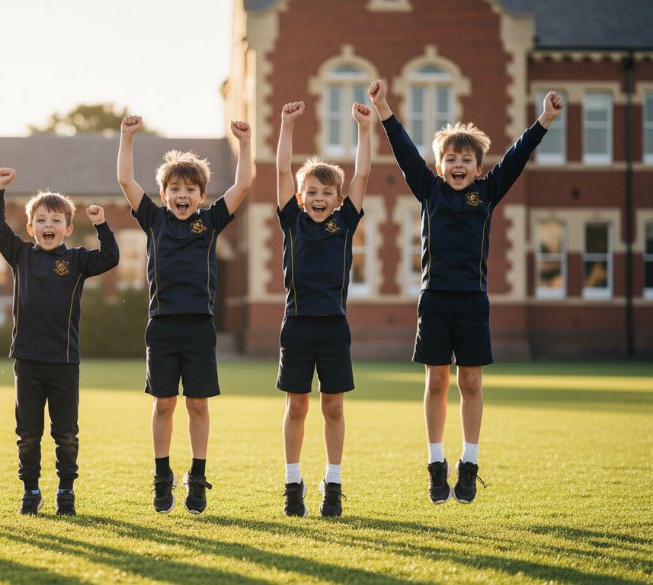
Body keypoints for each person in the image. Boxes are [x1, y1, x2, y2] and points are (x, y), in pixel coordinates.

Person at [368, 79, 562, 504]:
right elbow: (403, 150)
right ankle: (436, 466)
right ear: (439, 167)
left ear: (477, 168)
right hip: (434, 301)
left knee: (470, 382)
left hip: (472, 302)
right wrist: (384, 108)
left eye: (466, 160)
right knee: (436, 382)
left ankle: (468, 466)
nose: (458, 165)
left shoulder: (486, 194)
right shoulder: (430, 191)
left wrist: (543, 120)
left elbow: (515, 158)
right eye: (451, 159)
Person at [117, 115, 252, 514]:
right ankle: (163, 477)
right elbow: (126, 182)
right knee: (163, 404)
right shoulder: (154, 219)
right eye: (174, 188)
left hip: (199, 327)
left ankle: (197, 475)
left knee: (197, 404)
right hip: (161, 326)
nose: (181, 194)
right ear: (163, 193)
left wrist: (244, 144)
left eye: (189, 190)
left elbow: (243, 185)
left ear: (201, 195)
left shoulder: (209, 222)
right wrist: (127, 137)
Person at [0, 167, 119, 516]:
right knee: (28, 434)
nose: (48, 225)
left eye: (56, 220)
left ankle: (65, 491)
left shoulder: (76, 261)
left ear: (68, 229)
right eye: (41, 220)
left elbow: (110, 257)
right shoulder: (21, 256)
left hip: (64, 363)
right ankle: (30, 491)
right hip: (28, 362)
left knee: (66, 434)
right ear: (31, 228)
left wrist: (102, 224)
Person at [275, 100, 371, 517]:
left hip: (334, 328)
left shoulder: (344, 222)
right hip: (296, 326)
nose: (318, 198)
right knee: (297, 406)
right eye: (311, 192)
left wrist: (365, 131)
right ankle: (292, 484)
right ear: (300, 197)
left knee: (333, 407)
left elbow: (363, 173)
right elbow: (280, 170)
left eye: (326, 193)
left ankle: (333, 484)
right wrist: (286, 125)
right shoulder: (292, 220)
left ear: (336, 199)